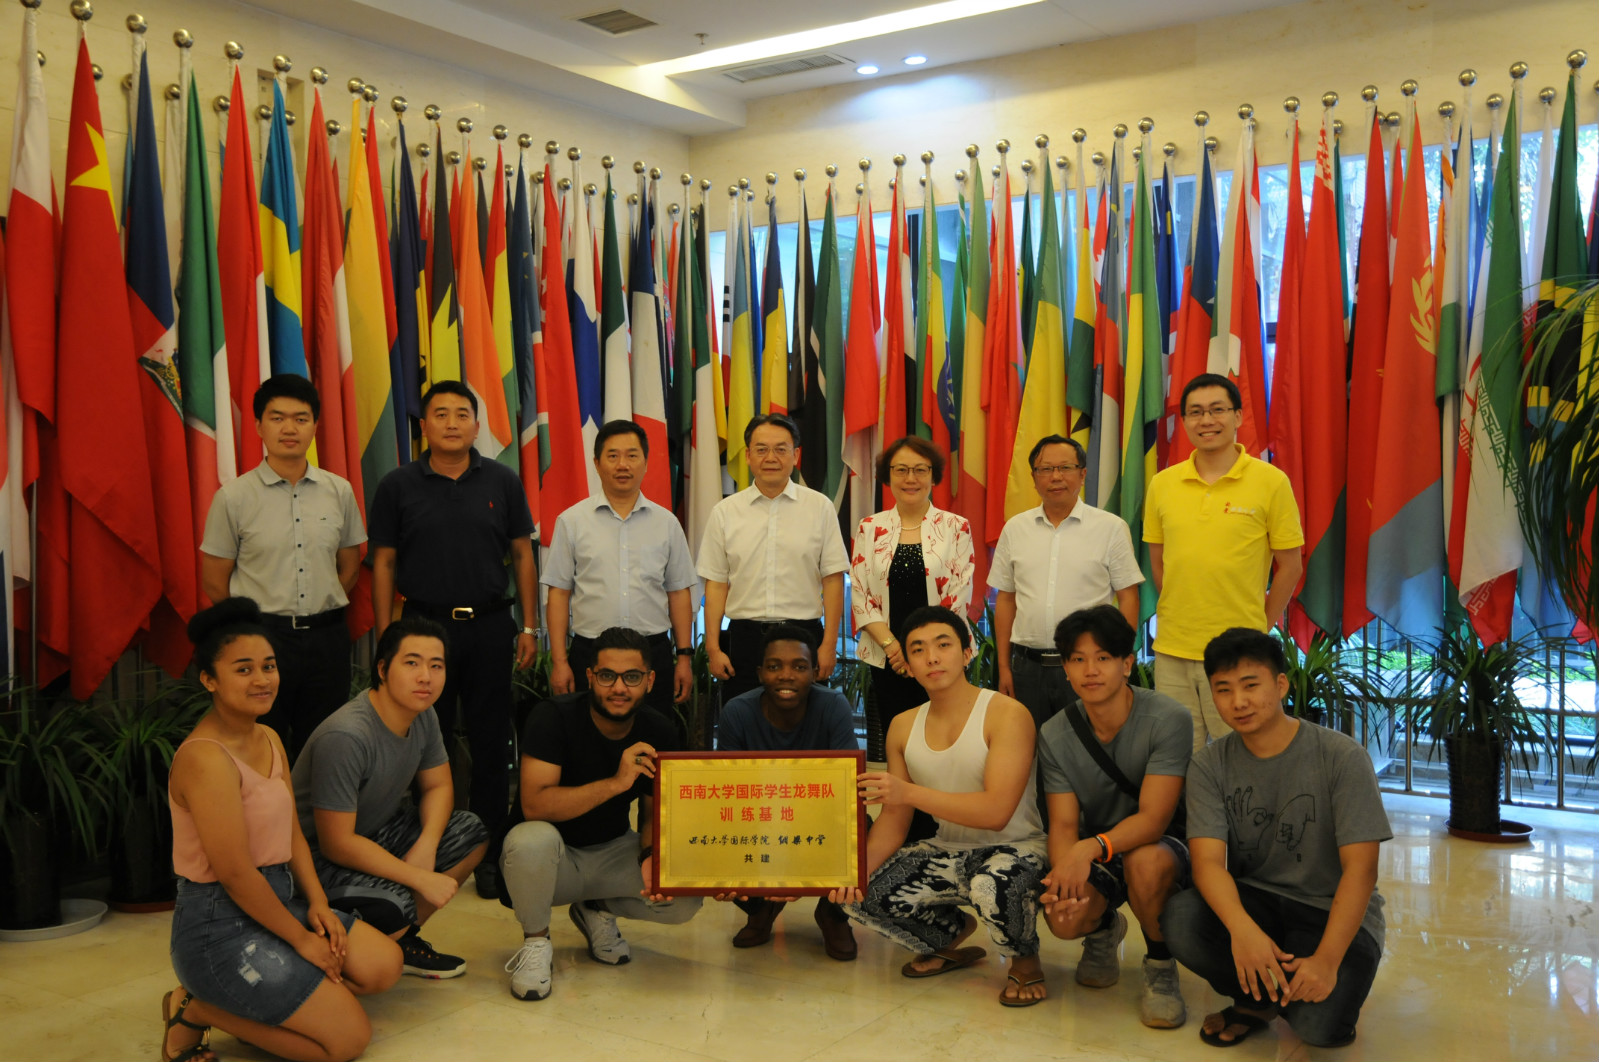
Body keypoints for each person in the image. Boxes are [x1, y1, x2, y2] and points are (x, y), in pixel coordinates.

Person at [162, 598, 400, 1062]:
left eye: (268, 666)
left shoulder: (268, 737)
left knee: (384, 965)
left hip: (277, 900)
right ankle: (196, 1008)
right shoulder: (205, 758)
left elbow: (291, 833)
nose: (262, 679)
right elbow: (235, 874)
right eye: (244, 669)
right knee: (348, 1041)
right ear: (209, 679)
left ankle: (265, 1007)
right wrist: (301, 940)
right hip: (218, 926)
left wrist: (318, 905)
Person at [1162, 628, 1391, 1049]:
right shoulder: (1210, 765)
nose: (1238, 702)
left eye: (1251, 685)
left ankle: (1288, 992)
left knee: (1317, 1029)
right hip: (1257, 901)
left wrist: (1326, 961)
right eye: (1224, 690)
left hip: (1328, 910)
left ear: (1281, 684)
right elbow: (1208, 863)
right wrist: (1242, 932)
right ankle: (1257, 1000)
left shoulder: (1341, 757)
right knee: (1181, 918)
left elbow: (1361, 869)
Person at [368, 379, 538, 899]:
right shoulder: (398, 485)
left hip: (489, 626)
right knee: (424, 741)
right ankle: (429, 848)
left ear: (476, 425)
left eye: (461, 414)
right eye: (440, 414)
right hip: (423, 629)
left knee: (491, 740)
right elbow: (384, 562)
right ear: (424, 426)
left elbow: (523, 554)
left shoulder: (502, 481)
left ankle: (487, 854)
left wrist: (529, 626)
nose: (451, 423)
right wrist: (387, 635)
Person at [838, 606, 1050, 1007]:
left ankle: (1024, 958)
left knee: (990, 885)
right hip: (947, 849)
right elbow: (894, 820)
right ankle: (950, 935)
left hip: (1017, 848)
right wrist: (855, 873)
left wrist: (909, 793)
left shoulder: (1006, 713)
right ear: (907, 665)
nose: (932, 657)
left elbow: (996, 813)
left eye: (943, 645)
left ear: (967, 652)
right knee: (858, 894)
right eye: (918, 650)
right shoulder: (903, 725)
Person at [499, 627, 702, 1001]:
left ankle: (595, 908)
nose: (619, 688)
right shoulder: (552, 717)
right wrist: (615, 783)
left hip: (610, 851)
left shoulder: (658, 728)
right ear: (590, 676)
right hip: (551, 862)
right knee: (530, 840)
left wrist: (650, 856)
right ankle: (536, 942)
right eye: (608, 675)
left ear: (649, 680)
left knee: (684, 892)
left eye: (632, 677)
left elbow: (653, 812)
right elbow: (535, 805)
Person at [292, 616, 489, 980]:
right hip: (314, 861)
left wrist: (427, 846)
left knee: (470, 832)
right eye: (412, 663)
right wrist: (418, 878)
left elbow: (439, 787)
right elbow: (336, 843)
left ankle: (401, 940)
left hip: (374, 834)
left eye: (436, 666)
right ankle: (355, 944)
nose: (425, 677)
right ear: (382, 669)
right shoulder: (347, 736)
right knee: (395, 905)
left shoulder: (423, 714)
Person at [1037, 605, 1192, 1028]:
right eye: (1078, 659)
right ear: (1065, 669)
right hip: (1099, 847)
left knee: (1145, 860)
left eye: (1103, 657)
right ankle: (1104, 927)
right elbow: (1063, 825)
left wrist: (1087, 849)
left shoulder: (1169, 719)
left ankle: (1160, 965)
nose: (1090, 670)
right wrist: (1064, 884)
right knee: (1063, 919)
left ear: (1127, 664)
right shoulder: (1054, 733)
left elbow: (1154, 820)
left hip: (1163, 845)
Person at [200, 374, 365, 757]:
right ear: (259, 425)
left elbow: (350, 568)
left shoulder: (339, 491)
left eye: (300, 418)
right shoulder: (233, 497)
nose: (289, 428)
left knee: (324, 749)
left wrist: (318, 606)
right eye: (277, 418)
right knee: (260, 747)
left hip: (326, 640)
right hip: (262, 640)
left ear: (315, 426)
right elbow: (214, 582)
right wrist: (253, 628)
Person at [1145, 374, 1304, 752]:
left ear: (1238, 416)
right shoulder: (1162, 484)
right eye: (1196, 412)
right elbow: (1160, 565)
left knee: (1247, 752)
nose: (1207, 420)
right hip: (1172, 651)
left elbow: (1291, 567)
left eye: (1217, 410)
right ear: (1184, 421)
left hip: (1240, 652)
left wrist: (1259, 626)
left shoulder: (1271, 481)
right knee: (1177, 756)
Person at [714, 623, 860, 961]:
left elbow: (848, 788)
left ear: (814, 672)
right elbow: (726, 794)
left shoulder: (833, 705)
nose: (786, 675)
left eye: (799, 666)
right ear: (760, 673)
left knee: (863, 832)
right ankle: (760, 910)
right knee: (717, 841)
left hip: (820, 818)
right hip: (759, 819)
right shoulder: (737, 711)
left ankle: (832, 914)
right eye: (774, 666)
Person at [543, 419, 696, 718]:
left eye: (632, 455)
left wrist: (684, 658)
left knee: (653, 734)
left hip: (652, 652)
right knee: (590, 736)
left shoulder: (666, 523)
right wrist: (560, 662)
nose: (622, 465)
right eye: (612, 456)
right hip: (591, 653)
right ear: (597, 463)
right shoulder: (572, 521)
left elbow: (678, 593)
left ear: (646, 463)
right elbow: (559, 594)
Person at [990, 434, 1144, 730]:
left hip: (1088, 666)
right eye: (1046, 469)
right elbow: (1006, 599)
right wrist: (1004, 667)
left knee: (1088, 746)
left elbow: (1128, 597)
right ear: (1034, 478)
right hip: (1027, 669)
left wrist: (1121, 660)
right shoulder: (1015, 529)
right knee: (1027, 748)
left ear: (1082, 474)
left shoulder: (1110, 528)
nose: (1056, 477)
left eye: (1065, 468)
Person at [699, 413, 850, 702]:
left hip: (804, 636)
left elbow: (833, 580)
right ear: (748, 456)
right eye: (761, 449)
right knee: (743, 719)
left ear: (796, 455)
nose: (771, 457)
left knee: (804, 722)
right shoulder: (725, 512)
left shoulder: (820, 507)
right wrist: (714, 648)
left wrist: (829, 644)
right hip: (745, 639)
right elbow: (716, 584)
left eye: (781, 449)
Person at [849, 435, 974, 764]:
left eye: (920, 470)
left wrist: (922, 651)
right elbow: (860, 593)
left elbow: (957, 596)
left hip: (941, 657)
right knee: (900, 744)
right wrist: (895, 649)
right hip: (888, 658)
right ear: (888, 476)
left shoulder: (955, 527)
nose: (910, 478)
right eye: (901, 470)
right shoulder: (869, 528)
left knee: (945, 744)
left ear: (933, 476)